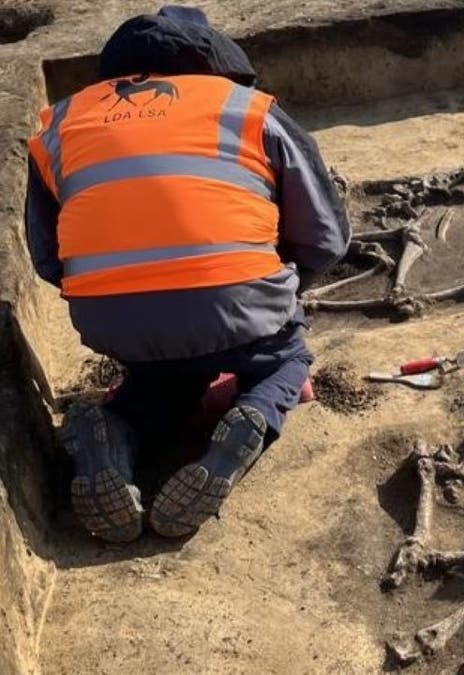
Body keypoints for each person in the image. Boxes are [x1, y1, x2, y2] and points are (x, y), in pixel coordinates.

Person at [24, 6, 349, 542]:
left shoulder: (60, 123)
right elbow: (327, 238)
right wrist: (275, 290)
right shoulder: (250, 109)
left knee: (162, 379)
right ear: (214, 58)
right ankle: (242, 429)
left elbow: (46, 256)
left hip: (115, 321)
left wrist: (128, 296)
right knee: (286, 360)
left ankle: (116, 426)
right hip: (239, 304)